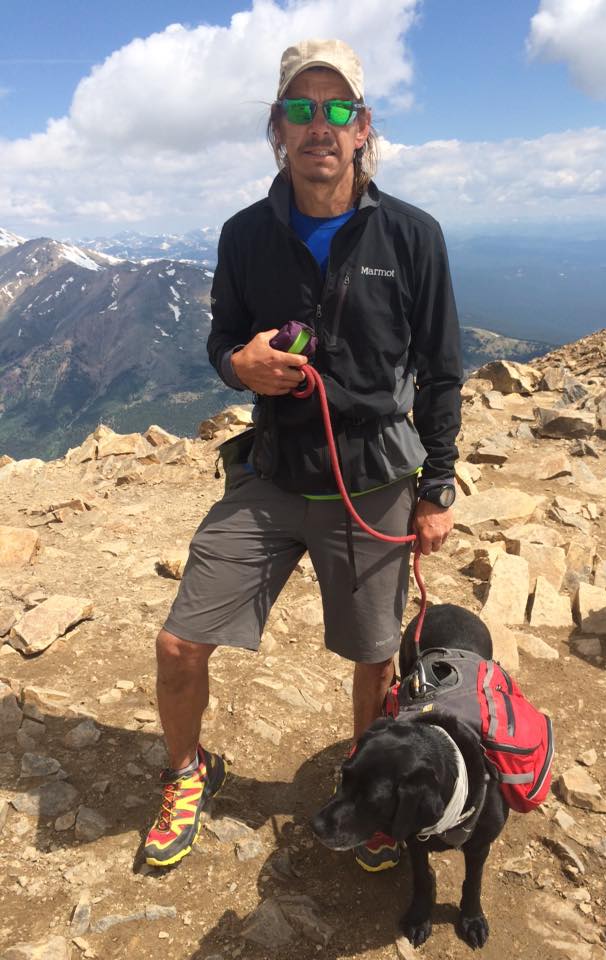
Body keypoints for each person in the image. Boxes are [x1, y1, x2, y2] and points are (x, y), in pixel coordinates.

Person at [143, 38, 462, 872]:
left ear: (362, 130)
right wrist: (235, 365)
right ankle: (188, 771)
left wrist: (437, 487)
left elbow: (441, 368)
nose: (318, 125)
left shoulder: (413, 235)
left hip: (372, 477)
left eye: (335, 110)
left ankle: (370, 794)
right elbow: (221, 336)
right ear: (277, 131)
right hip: (275, 469)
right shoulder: (245, 236)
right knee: (179, 645)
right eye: (299, 109)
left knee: (371, 657)